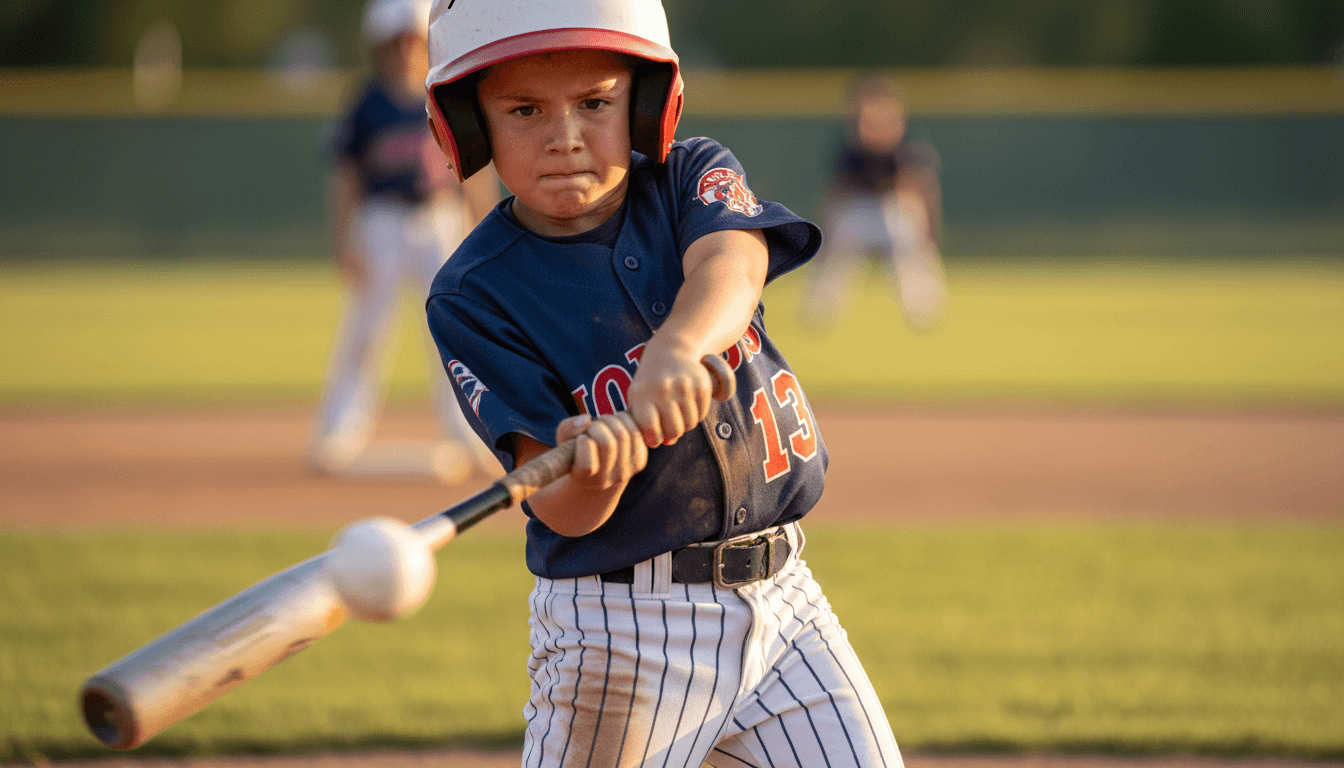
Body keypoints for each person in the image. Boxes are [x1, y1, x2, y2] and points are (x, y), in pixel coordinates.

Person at [423, 2, 903, 766]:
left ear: (648, 105)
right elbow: (560, 507)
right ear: (467, 125)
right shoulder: (473, 293)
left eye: (596, 102)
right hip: (620, 631)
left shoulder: (686, 174)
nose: (564, 135)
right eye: (523, 110)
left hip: (785, 596)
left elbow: (732, 265)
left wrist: (676, 350)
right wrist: (597, 472)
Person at [307, 0, 499, 479]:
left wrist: (485, 230)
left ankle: (470, 433)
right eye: (396, 42)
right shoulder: (367, 100)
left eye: (412, 39)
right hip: (382, 222)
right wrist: (344, 240)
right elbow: (345, 177)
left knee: (454, 331)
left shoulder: (445, 94)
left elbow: (474, 170)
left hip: (440, 221)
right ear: (380, 47)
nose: (405, 50)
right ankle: (339, 432)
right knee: (366, 332)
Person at [801, 74, 948, 332]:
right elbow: (837, 189)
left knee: (913, 255)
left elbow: (919, 184)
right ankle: (819, 311)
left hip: (894, 207)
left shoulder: (908, 141)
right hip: (858, 209)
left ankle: (924, 312)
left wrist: (928, 226)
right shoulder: (849, 145)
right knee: (837, 257)